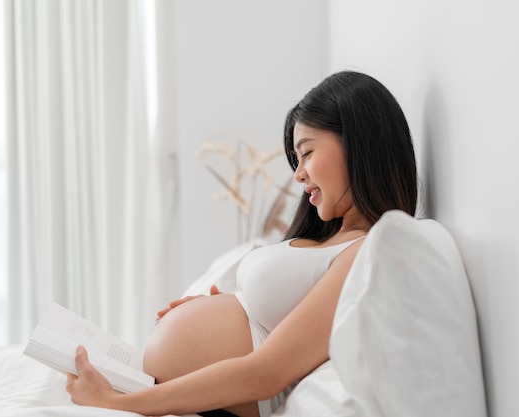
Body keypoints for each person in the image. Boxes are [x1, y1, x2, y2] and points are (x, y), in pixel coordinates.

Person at [65, 70, 418, 417]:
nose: (298, 174)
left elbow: (266, 374)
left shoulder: (365, 253)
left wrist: (115, 403)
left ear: (358, 144)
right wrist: (225, 310)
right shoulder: (335, 238)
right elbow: (288, 326)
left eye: (306, 153)